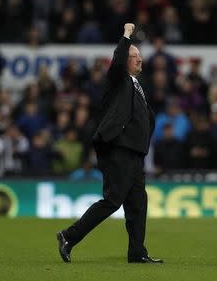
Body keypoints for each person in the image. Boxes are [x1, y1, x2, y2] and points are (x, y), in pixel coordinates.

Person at [57, 23, 161, 264]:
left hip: (135, 153)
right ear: (125, 59)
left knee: (137, 205)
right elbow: (117, 60)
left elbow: (145, 118)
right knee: (113, 200)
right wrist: (126, 36)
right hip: (118, 150)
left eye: (140, 57)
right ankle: (68, 236)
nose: (140, 60)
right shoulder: (118, 79)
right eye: (134, 57)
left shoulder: (138, 86)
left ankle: (137, 253)